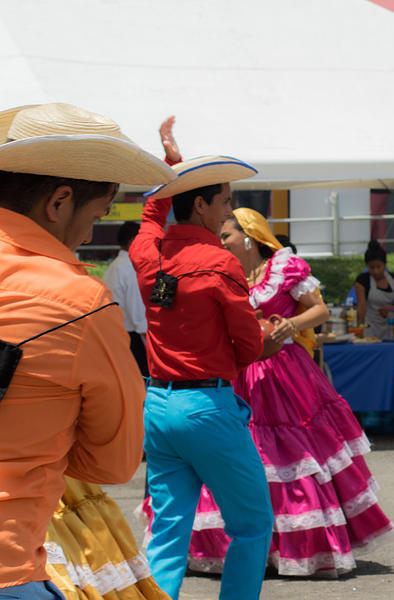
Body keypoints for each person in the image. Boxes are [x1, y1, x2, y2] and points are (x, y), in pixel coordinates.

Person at [0, 103, 173, 599]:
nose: (86, 235)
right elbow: (112, 464)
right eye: (95, 217)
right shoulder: (79, 303)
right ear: (58, 202)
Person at [183, 208, 394, 577]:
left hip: (285, 374)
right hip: (241, 374)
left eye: (227, 236)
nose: (222, 242)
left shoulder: (286, 268)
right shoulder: (229, 275)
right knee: (247, 457)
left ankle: (296, 547)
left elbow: (319, 310)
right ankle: (258, 547)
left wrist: (289, 326)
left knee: (293, 457)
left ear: (249, 236)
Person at [130, 117, 273, 600]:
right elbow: (249, 344)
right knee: (253, 524)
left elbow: (152, 214)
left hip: (159, 405)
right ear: (201, 203)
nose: (228, 208)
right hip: (207, 408)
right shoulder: (220, 261)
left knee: (168, 530)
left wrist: (174, 165)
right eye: (225, 200)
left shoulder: (148, 252)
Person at [104, 221, 149, 376]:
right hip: (133, 338)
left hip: (116, 334)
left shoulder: (116, 266)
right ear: (133, 242)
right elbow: (138, 314)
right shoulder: (129, 268)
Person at [353, 240, 394, 338]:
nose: (376, 271)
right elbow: (361, 308)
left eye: (379, 267)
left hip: (390, 327)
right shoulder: (362, 281)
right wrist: (359, 330)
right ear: (367, 266)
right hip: (369, 328)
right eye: (371, 267)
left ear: (385, 265)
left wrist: (391, 310)